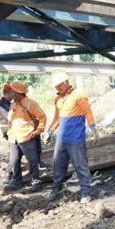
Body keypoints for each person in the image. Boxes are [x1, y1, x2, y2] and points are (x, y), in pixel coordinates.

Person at [43, 70, 99, 204]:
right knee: (58, 164)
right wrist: (49, 132)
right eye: (56, 87)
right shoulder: (58, 99)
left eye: (59, 85)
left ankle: (85, 192)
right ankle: (57, 189)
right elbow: (57, 118)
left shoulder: (79, 96)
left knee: (80, 165)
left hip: (76, 138)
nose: (57, 88)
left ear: (66, 82)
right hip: (61, 138)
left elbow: (88, 113)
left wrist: (93, 129)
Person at [5, 81, 46, 192]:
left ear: (19, 92)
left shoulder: (31, 104)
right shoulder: (13, 104)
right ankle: (17, 182)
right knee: (14, 161)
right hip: (14, 138)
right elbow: (9, 120)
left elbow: (42, 117)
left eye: (13, 92)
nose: (11, 94)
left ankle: (35, 181)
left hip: (27, 136)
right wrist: (9, 132)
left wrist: (38, 131)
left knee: (32, 160)